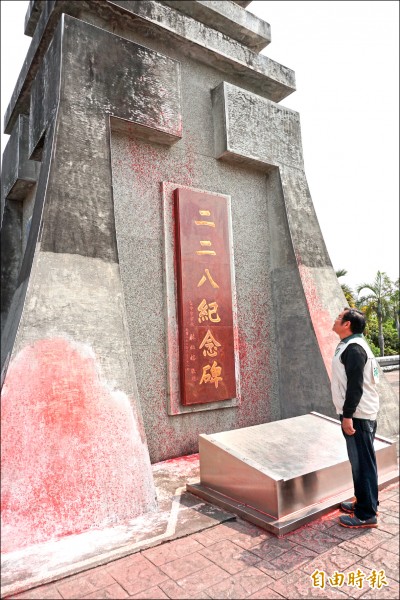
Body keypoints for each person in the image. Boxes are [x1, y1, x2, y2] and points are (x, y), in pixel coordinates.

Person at [331, 307, 380, 528]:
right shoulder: (352, 346)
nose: (336, 319)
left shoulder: (354, 349)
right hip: (359, 414)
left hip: (358, 415)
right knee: (361, 462)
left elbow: (355, 387)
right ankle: (365, 502)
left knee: (362, 464)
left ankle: (366, 514)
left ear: (347, 324)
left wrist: (348, 416)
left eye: (339, 318)